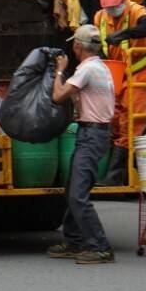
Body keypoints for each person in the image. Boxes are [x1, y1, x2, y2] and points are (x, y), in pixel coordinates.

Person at [47, 25, 116, 264]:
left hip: (91, 134)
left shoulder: (86, 70)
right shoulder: (102, 67)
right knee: (74, 190)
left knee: (77, 195)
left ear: (78, 46)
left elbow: (58, 96)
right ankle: (74, 240)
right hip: (95, 134)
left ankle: (100, 246)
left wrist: (59, 71)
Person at [94, 0, 146, 186]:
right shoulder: (100, 17)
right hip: (115, 75)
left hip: (139, 74)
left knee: (131, 123)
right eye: (108, 4)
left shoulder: (136, 10)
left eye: (115, 3)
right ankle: (117, 173)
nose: (112, 8)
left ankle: (115, 175)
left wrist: (124, 34)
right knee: (113, 121)